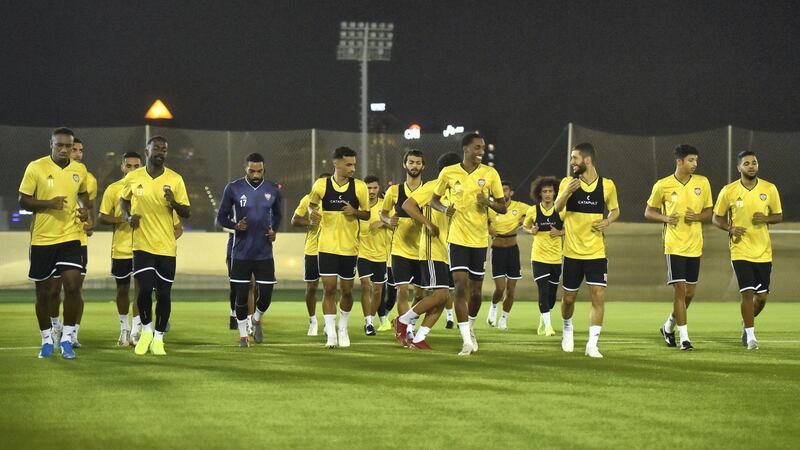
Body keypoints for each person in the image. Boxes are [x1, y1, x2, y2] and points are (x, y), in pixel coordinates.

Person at [18, 127, 91, 359]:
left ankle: (68, 338)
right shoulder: (36, 167)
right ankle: (47, 340)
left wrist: (84, 211)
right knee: (45, 294)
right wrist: (49, 203)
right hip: (42, 239)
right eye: (59, 145)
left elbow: (84, 195)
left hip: (70, 237)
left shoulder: (79, 169)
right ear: (51, 144)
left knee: (73, 286)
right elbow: (24, 201)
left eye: (68, 146)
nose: (64, 149)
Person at [432, 133, 506, 356]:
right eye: (476, 147)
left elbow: (502, 207)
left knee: (475, 291)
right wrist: (445, 210)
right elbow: (434, 200)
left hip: (479, 240)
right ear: (465, 149)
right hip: (457, 239)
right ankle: (465, 340)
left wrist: (488, 202)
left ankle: (470, 328)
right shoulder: (448, 172)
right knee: (459, 284)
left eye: (482, 148)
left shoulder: (490, 174)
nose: (480, 151)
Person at [120, 135, 191, 356]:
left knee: (164, 294)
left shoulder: (176, 179)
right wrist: (127, 215)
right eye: (156, 148)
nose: (160, 151)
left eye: (164, 149)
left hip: (166, 247)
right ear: (147, 150)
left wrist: (173, 202)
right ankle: (147, 332)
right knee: (142, 293)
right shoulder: (133, 177)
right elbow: (123, 199)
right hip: (141, 245)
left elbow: (186, 212)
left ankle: (159, 338)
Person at [553, 143, 620, 358]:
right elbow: (556, 208)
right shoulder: (568, 182)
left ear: (587, 160)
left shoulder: (607, 185)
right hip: (572, 253)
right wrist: (566, 192)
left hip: (597, 253)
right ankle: (567, 329)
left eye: (575, 158)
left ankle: (592, 344)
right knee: (569, 299)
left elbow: (616, 209)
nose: (572, 162)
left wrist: (608, 221)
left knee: (598, 297)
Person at [645, 144, 713, 351]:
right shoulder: (663, 185)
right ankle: (684, 338)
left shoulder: (703, 183)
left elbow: (709, 212)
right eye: (691, 160)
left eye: (696, 160)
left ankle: (668, 326)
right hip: (674, 245)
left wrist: (698, 216)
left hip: (695, 245)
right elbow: (649, 211)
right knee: (680, 291)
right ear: (679, 161)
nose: (695, 164)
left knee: (689, 293)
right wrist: (665, 217)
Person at [712, 150, 782, 350]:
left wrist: (766, 219)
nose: (751, 166)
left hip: (763, 251)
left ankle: (746, 323)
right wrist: (730, 228)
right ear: (739, 168)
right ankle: (751, 337)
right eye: (747, 163)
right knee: (747, 292)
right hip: (740, 250)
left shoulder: (769, 189)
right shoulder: (729, 191)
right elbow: (716, 218)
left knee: (761, 298)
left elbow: (778, 216)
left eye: (754, 163)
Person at [394, 152, 463, 349]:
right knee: (441, 295)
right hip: (433, 250)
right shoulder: (432, 187)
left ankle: (419, 338)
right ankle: (403, 320)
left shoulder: (457, 190)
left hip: (450, 250)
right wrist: (428, 223)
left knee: (444, 297)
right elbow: (408, 205)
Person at [217, 153, 282, 347]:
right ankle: (243, 335)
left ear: (264, 169)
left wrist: (274, 231)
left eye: (259, 171)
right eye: (252, 170)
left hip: (264, 252)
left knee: (267, 294)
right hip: (241, 252)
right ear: (245, 169)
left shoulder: (272, 189)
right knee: (241, 294)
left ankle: (256, 319)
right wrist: (236, 225)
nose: (255, 174)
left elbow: (278, 215)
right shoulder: (233, 188)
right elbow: (221, 217)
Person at [307, 147, 370, 348]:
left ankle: (343, 328)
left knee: (347, 290)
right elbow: (311, 204)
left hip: (350, 248)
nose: (353, 168)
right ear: (336, 164)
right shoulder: (321, 185)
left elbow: (367, 214)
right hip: (326, 247)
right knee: (329, 288)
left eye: (354, 164)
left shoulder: (359, 187)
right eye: (348, 164)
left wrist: (355, 212)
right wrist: (312, 212)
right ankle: (332, 334)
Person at [48, 137, 96, 349]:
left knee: (74, 289)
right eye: (72, 148)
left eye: (79, 150)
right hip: (51, 239)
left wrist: (88, 223)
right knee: (52, 291)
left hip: (77, 240)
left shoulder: (87, 177)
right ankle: (55, 327)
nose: (76, 153)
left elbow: (89, 209)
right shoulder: (48, 171)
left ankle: (73, 332)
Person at [98, 151, 143, 346]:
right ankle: (124, 328)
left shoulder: (147, 187)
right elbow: (102, 216)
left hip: (144, 248)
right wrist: (124, 219)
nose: (132, 169)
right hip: (121, 248)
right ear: (122, 167)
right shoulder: (113, 189)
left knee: (141, 291)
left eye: (136, 166)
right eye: (129, 166)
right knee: (122, 289)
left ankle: (136, 331)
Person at [381, 150, 425, 341]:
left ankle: (407, 322)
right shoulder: (394, 191)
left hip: (423, 250)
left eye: (417, 163)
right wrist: (387, 219)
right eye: (411, 162)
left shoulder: (428, 190)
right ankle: (404, 331)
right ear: (404, 165)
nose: (414, 166)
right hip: (399, 249)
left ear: (423, 166)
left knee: (421, 294)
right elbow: (383, 213)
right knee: (402, 290)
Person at [522, 176, 564, 337]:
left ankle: (542, 320)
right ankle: (548, 327)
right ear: (539, 194)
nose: (548, 194)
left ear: (555, 193)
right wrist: (531, 230)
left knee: (552, 296)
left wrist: (559, 232)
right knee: (544, 292)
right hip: (539, 257)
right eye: (544, 191)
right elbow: (525, 226)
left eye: (550, 191)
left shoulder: (560, 210)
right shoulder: (533, 210)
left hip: (556, 258)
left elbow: (571, 229)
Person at [486, 180, 530, 329]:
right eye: (500, 190)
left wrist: (526, 218)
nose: (503, 192)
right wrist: (488, 226)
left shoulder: (520, 207)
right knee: (500, 287)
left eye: (505, 190)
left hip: (512, 250)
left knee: (511, 289)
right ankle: (493, 307)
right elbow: (480, 220)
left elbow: (536, 212)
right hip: (497, 250)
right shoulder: (491, 208)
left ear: (511, 192)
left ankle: (503, 319)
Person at [291, 172, 331, 336]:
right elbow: (294, 220)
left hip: (331, 250)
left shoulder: (337, 201)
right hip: (313, 250)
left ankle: (328, 323)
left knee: (330, 288)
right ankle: (313, 320)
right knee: (312, 288)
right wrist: (310, 222)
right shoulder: (307, 200)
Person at [357, 175, 390, 335]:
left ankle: (371, 318)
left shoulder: (384, 206)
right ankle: (368, 323)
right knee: (365, 286)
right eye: (368, 188)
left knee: (378, 290)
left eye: (375, 188)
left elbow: (395, 223)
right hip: (362, 253)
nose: (371, 191)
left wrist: (383, 222)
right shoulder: (359, 206)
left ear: (379, 188)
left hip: (381, 255)